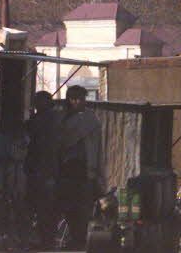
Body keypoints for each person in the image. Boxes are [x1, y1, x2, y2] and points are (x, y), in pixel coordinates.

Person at [55, 86, 101, 250]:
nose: (77, 102)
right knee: (68, 207)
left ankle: (80, 239)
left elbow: (73, 138)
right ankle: (73, 238)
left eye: (80, 98)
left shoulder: (89, 118)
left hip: (84, 170)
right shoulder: (63, 117)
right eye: (74, 98)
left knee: (82, 208)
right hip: (66, 170)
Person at [25, 91, 60, 247]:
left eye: (39, 102)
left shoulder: (47, 121)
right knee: (41, 207)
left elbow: (50, 149)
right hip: (39, 170)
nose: (37, 106)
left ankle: (45, 239)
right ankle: (44, 239)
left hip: (45, 171)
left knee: (44, 207)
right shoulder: (45, 120)